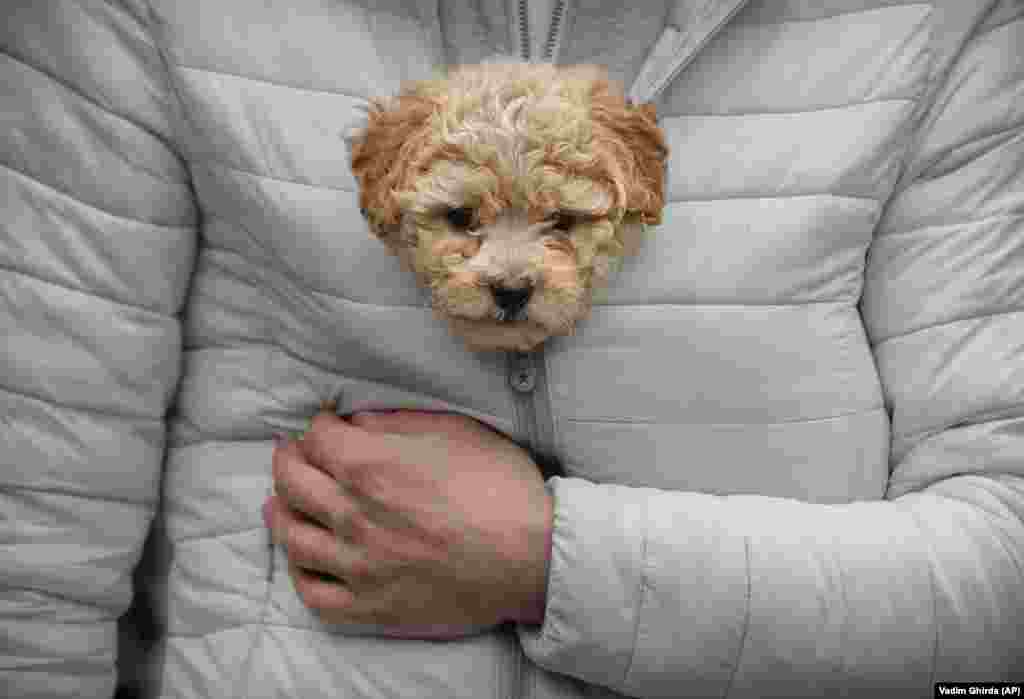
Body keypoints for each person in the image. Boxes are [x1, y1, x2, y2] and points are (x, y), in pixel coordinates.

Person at [2, 1, 1022, 697]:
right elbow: (35, 534)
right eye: (456, 217)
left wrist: (548, 561)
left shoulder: (942, 25)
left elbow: (1004, 616)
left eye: (564, 224)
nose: (509, 270)